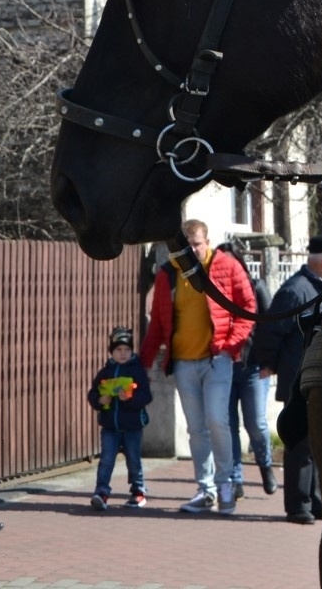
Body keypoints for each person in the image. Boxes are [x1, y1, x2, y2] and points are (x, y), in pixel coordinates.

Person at [140, 219, 256, 515]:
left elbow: (247, 308)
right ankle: (205, 490)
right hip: (183, 363)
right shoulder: (168, 274)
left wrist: (230, 347)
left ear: (207, 242)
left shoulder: (226, 266)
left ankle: (226, 484)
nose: (191, 250)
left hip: (217, 359)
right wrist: (142, 366)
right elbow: (157, 324)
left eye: (196, 244)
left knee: (218, 421)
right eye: (185, 245)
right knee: (196, 429)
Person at [253, 234, 322, 525]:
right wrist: (267, 363)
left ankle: (315, 501)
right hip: (297, 381)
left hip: (317, 378)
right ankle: (297, 505)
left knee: (318, 444)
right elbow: (271, 331)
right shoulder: (296, 290)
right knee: (300, 444)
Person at [222, 242, 276, 500]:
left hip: (254, 366)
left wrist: (270, 362)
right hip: (224, 368)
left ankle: (265, 465)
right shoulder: (212, 292)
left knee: (256, 423)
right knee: (228, 425)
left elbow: (271, 326)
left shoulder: (257, 287)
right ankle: (235, 479)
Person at [86, 326, 152, 511]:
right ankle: (101, 492)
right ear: (111, 351)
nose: (123, 354)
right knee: (106, 459)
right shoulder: (105, 372)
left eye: (127, 350)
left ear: (132, 351)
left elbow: (146, 397)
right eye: (118, 350)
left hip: (132, 426)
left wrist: (129, 399)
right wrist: (99, 400)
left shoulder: (137, 371)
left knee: (134, 459)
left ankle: (138, 491)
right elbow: (93, 394)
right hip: (110, 426)